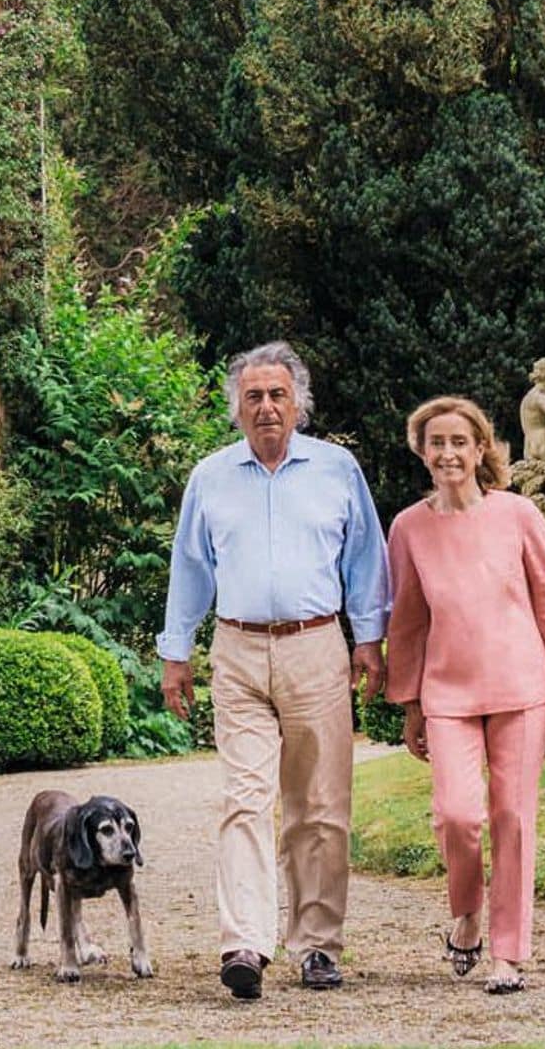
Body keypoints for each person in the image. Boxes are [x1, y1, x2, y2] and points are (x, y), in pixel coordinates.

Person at [156, 341, 390, 999]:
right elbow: (191, 568)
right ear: (237, 407)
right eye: (254, 396)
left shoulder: (337, 471)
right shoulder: (211, 477)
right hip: (236, 649)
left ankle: (316, 946)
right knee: (245, 800)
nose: (266, 407)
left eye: (277, 395)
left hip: (316, 647)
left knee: (320, 807)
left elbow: (366, 560)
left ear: (298, 405)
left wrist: (369, 639)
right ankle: (246, 943)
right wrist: (177, 651)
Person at [376, 396, 545, 995]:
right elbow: (409, 623)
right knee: (456, 815)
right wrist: (411, 705)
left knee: (512, 817)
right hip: (447, 692)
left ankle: (508, 954)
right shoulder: (408, 528)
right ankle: (467, 911)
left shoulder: (518, 515)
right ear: (422, 452)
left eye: (459, 442)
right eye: (436, 442)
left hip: (521, 686)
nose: (447, 452)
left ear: (481, 451)